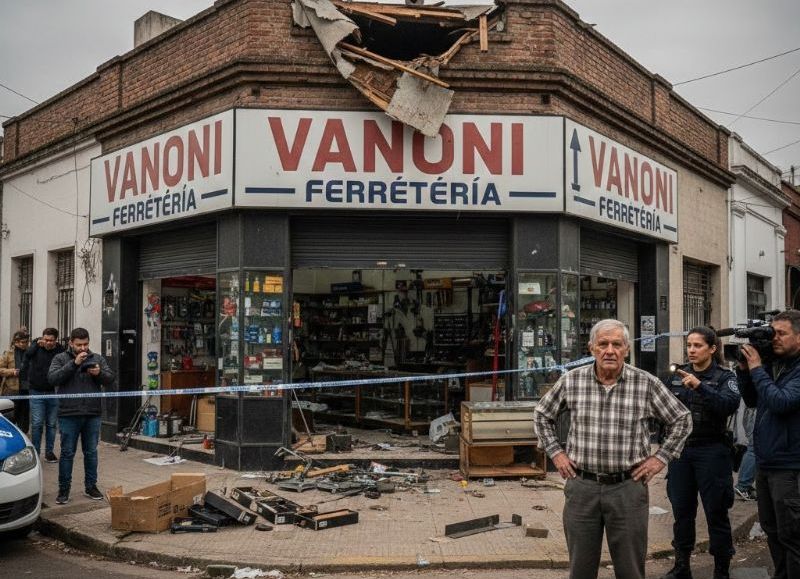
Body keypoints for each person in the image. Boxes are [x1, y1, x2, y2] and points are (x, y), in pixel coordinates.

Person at [534, 319, 692, 579]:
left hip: (627, 488)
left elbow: (682, 419)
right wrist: (556, 453)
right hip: (582, 486)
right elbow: (542, 415)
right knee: (581, 570)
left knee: (630, 569)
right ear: (592, 348)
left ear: (626, 349)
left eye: (616, 344)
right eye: (603, 344)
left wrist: (660, 458)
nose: (610, 350)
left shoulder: (646, 384)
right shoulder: (572, 381)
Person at [662, 327, 740, 579]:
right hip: (681, 452)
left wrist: (700, 387)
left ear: (712, 348)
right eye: (689, 345)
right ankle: (681, 566)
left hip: (712, 451)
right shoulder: (677, 374)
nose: (692, 350)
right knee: (682, 512)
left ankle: (721, 569)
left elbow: (728, 406)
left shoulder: (724, 376)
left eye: (697, 345)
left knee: (716, 511)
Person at [737, 309, 800, 579]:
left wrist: (757, 369)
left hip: (790, 466)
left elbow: (781, 402)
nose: (775, 339)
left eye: (782, 333)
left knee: (792, 536)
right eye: (773, 333)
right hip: (767, 462)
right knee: (772, 530)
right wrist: (744, 371)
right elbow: (753, 400)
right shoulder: (776, 363)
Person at [48, 327, 115, 505]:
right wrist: (74, 364)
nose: (83, 348)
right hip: (68, 413)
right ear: (71, 343)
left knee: (91, 452)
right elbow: (53, 379)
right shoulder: (60, 358)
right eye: (79, 345)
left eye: (86, 344)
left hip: (92, 413)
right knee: (67, 453)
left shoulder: (97, 358)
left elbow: (110, 378)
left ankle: (91, 486)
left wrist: (99, 373)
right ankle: (63, 490)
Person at [24, 328, 65, 462]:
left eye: (51, 340)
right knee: (36, 424)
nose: (48, 343)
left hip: (53, 392)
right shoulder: (36, 347)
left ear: (56, 340)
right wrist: (36, 343)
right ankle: (35, 453)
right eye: (46, 340)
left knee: (52, 424)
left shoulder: (60, 350)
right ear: (42, 338)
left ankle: (49, 452)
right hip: (36, 391)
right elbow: (27, 354)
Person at [0, 330, 31, 430]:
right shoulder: (8, 353)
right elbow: (0, 369)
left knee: (24, 418)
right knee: (10, 417)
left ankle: (23, 438)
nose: (25, 344)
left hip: (27, 390)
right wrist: (12, 372)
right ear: (15, 342)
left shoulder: (30, 352)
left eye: (26, 342)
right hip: (11, 390)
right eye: (22, 342)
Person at [733, 401, 757, 501]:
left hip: (752, 410)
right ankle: (743, 485)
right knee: (755, 448)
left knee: (754, 448)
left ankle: (745, 484)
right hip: (755, 411)